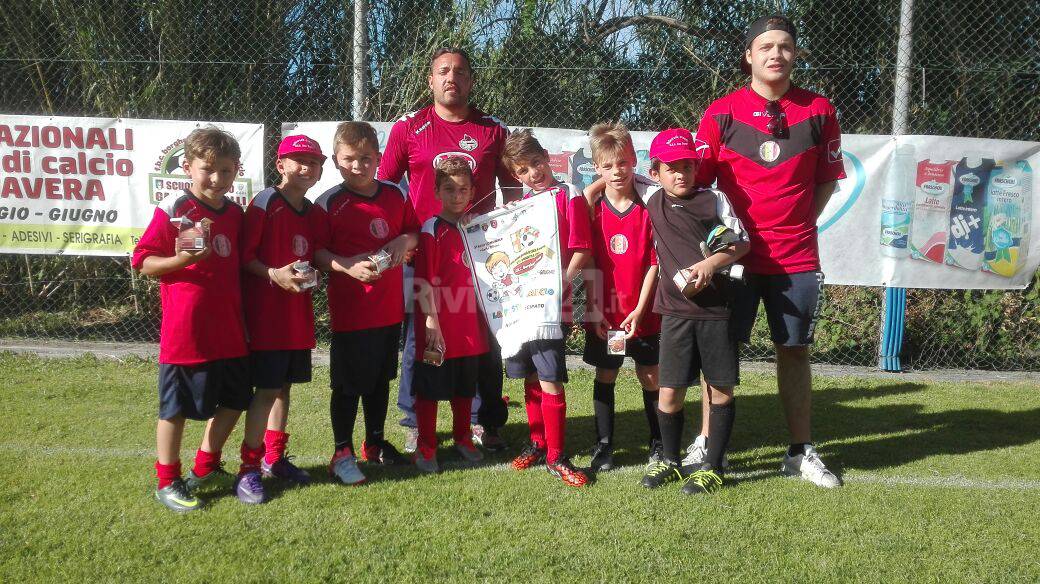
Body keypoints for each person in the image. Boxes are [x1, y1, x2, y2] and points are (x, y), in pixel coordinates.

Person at [691, 14, 845, 488]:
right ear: (749, 56)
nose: (776, 54)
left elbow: (824, 183)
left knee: (794, 351)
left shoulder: (820, 110)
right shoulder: (720, 113)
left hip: (796, 257)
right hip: (736, 259)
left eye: (784, 46)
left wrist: (797, 226)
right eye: (766, 47)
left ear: (795, 54)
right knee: (719, 352)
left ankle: (800, 451)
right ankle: (705, 441)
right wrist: (723, 245)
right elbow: (699, 189)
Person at [379, 47, 521, 452]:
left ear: (471, 81)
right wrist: (403, 238)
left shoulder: (493, 130)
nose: (451, 78)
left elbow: (511, 194)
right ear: (431, 80)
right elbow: (388, 190)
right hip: (424, 251)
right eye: (443, 71)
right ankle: (413, 418)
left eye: (460, 72)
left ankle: (484, 420)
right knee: (419, 335)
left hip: (480, 253)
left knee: (483, 335)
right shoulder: (409, 128)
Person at [132, 127, 251, 512]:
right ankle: (167, 480)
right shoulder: (174, 209)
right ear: (187, 167)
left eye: (227, 171)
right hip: (186, 334)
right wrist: (183, 260)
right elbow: (144, 262)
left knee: (235, 400)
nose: (217, 179)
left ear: (236, 172)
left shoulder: (235, 214)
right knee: (175, 409)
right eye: (208, 169)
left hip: (230, 331)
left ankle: (207, 464)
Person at [639, 128, 748, 495]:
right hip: (673, 312)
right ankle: (670, 461)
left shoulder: (713, 199)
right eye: (672, 167)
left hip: (716, 311)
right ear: (656, 173)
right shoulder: (651, 197)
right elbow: (612, 175)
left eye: (687, 165)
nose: (681, 173)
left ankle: (713, 466)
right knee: (669, 392)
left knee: (720, 389)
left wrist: (709, 265)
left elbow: (739, 244)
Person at [313, 122, 420, 485]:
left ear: (378, 158)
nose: (358, 166)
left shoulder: (394, 194)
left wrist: (402, 242)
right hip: (351, 312)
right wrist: (346, 266)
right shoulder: (329, 202)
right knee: (347, 385)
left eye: (366, 158)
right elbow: (316, 253)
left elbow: (413, 230)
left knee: (380, 380)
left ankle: (374, 442)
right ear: (335, 160)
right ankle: (340, 452)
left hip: (389, 307)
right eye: (349, 159)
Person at [234, 134, 325, 504]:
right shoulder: (264, 203)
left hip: (295, 316)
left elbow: (315, 256)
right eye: (298, 159)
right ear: (281, 165)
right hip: (267, 317)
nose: (306, 167)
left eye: (314, 162)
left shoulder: (314, 212)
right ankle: (248, 469)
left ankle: (274, 458)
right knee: (267, 390)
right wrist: (275, 274)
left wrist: (310, 278)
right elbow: (244, 258)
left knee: (284, 388)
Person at [499, 129, 592, 487]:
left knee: (551, 378)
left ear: (546, 157)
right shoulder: (518, 206)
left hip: (553, 308)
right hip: (522, 310)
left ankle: (557, 456)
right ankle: (537, 443)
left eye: (536, 163)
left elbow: (581, 250)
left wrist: (559, 286)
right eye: (522, 170)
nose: (532, 174)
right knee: (532, 378)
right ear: (515, 175)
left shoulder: (570, 195)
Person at [580, 122, 662, 473]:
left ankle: (659, 444)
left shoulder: (650, 209)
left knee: (650, 376)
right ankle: (604, 447)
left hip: (642, 318)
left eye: (624, 163)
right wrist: (596, 310)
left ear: (634, 162)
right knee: (607, 375)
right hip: (609, 319)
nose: (617, 171)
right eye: (608, 165)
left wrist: (641, 310)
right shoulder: (591, 211)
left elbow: (653, 266)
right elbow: (588, 263)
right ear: (597, 168)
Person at [411, 158, 488, 472]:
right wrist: (431, 320)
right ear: (437, 192)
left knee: (464, 386)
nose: (457, 196)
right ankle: (426, 445)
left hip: (469, 324)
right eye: (450, 189)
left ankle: (462, 437)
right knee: (430, 387)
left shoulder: (477, 227)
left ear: (472, 191)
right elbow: (423, 281)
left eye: (463, 189)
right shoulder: (431, 229)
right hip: (437, 324)